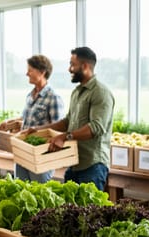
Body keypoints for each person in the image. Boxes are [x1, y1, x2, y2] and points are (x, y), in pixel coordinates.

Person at [31, 46, 114, 191]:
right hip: (74, 163)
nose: (69, 69)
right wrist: (39, 130)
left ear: (85, 66)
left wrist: (65, 137)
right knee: (70, 212)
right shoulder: (77, 92)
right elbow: (67, 122)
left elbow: (96, 127)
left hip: (93, 165)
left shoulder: (101, 93)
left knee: (90, 213)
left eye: (72, 64)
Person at [10, 55, 64, 182]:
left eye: (30, 70)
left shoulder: (53, 97)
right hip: (23, 152)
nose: (27, 73)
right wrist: (9, 123)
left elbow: (58, 128)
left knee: (39, 192)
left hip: (41, 156)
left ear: (42, 72)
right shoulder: (30, 96)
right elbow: (26, 120)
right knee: (21, 189)